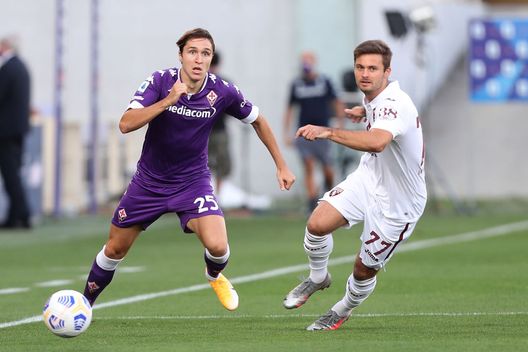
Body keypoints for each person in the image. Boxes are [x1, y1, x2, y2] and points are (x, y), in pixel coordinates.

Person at [83, 28, 295, 311]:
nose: (198, 59)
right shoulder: (160, 82)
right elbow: (126, 123)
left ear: (210, 59)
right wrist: (168, 100)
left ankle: (213, 275)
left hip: (192, 183)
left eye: (205, 53)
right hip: (148, 183)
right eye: (192, 52)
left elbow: (258, 120)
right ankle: (84, 304)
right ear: (181, 55)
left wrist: (281, 164)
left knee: (218, 247)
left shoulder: (221, 90)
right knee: (115, 249)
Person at [283, 40, 427, 330]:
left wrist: (328, 132)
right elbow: (378, 115)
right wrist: (363, 112)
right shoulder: (374, 97)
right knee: (317, 224)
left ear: (387, 71)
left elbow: (377, 141)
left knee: (363, 269)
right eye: (360, 67)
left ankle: (342, 309)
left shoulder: (392, 104)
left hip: (399, 203)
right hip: (369, 178)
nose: (365, 74)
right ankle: (317, 277)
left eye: (373, 68)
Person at [283, 52, 344, 212]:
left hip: (323, 132)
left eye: (308, 60)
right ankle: (312, 203)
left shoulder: (324, 81)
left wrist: (339, 123)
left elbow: (336, 102)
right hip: (304, 133)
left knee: (327, 168)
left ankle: (330, 193)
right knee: (308, 165)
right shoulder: (297, 84)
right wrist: (287, 133)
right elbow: (289, 109)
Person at [0, 36, 31, 229]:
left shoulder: (7, 69)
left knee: (11, 176)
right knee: (14, 175)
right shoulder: (21, 67)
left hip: (5, 132)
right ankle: (15, 216)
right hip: (18, 130)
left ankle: (22, 215)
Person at [207, 51, 231, 195]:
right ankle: (205, 194)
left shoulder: (224, 84)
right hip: (202, 132)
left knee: (222, 164)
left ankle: (218, 197)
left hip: (220, 130)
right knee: (203, 164)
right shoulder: (198, 83)